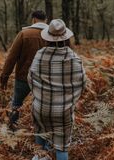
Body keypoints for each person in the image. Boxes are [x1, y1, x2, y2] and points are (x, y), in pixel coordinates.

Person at [28, 19, 86, 160]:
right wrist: (69, 98)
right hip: (63, 112)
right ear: (66, 37)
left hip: (40, 108)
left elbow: (30, 78)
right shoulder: (73, 58)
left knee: (40, 146)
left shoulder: (40, 55)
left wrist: (41, 95)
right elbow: (82, 83)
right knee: (62, 147)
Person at [0, 10, 48, 128]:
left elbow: (12, 57)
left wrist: (4, 77)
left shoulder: (24, 34)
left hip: (23, 77)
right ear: (45, 20)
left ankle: (12, 132)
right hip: (45, 78)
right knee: (43, 106)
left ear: (33, 19)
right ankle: (41, 132)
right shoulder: (52, 35)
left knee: (17, 104)